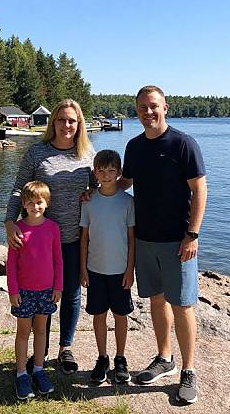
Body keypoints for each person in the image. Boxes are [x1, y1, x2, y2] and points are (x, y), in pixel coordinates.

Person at [120, 85, 207, 404]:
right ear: (137, 111)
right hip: (145, 240)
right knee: (156, 301)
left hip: (178, 242)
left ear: (165, 107)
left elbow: (200, 190)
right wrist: (97, 190)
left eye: (153, 106)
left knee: (183, 305)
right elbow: (125, 182)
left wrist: (192, 234)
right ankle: (164, 358)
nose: (148, 111)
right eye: (142, 107)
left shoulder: (183, 144)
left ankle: (188, 370)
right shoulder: (134, 147)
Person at [5, 99, 95, 374]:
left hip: (74, 238)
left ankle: (65, 348)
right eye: (61, 119)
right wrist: (9, 222)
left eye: (72, 120)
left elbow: (99, 187)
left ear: (79, 124)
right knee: (36, 293)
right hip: (38, 241)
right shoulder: (37, 153)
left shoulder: (88, 154)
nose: (66, 125)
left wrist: (92, 195)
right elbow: (19, 189)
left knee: (70, 294)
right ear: (52, 122)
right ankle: (39, 352)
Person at [80, 149, 135, 384]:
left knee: (121, 315)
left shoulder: (128, 201)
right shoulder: (89, 201)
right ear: (95, 173)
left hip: (120, 271)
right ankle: (102, 357)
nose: (107, 175)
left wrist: (130, 270)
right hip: (95, 270)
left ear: (120, 172)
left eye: (112, 171)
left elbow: (132, 239)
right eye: (101, 171)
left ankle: (120, 358)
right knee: (99, 315)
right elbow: (84, 238)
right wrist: (82, 269)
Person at [6, 181, 63, 399]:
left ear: (46, 203)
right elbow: (11, 264)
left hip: (47, 291)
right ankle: (21, 374)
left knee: (41, 330)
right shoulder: (18, 230)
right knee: (23, 332)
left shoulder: (53, 228)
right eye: (30, 203)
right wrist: (13, 290)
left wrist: (58, 286)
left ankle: (39, 370)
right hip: (24, 292)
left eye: (39, 202)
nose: (35, 207)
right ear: (24, 204)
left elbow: (58, 261)